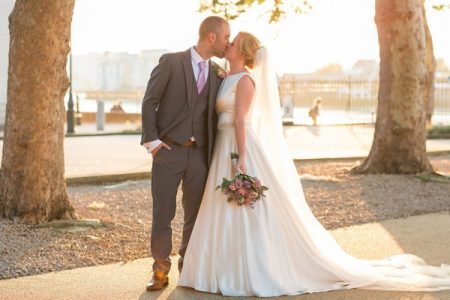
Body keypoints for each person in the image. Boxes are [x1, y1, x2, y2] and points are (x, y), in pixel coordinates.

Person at [178, 32, 450, 297]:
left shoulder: (246, 81)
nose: (228, 44)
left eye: (233, 42)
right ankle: (215, 268)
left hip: (238, 146)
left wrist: (242, 158)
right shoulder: (226, 77)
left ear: (243, 52)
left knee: (248, 208)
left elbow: (240, 120)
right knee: (220, 205)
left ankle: (251, 269)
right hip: (223, 147)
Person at [140, 16, 230, 291]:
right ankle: (160, 270)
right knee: (163, 212)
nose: (229, 42)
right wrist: (153, 142)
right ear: (211, 37)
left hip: (200, 156)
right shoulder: (171, 62)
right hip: (168, 151)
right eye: (226, 37)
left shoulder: (218, 72)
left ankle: (187, 269)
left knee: (195, 214)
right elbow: (149, 101)